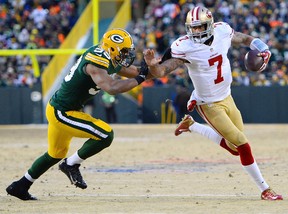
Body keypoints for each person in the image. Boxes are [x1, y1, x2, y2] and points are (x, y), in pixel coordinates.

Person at [144, 6, 282, 201]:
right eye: (192, 28)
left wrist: (262, 48)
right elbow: (162, 71)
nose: (196, 32)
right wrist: (152, 66)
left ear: (209, 25)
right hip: (208, 103)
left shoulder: (222, 31)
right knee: (242, 144)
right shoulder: (184, 46)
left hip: (227, 96)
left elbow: (244, 39)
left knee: (235, 148)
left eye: (200, 27)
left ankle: (191, 126)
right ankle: (265, 189)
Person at [6, 28, 150, 200]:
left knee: (55, 153)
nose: (127, 54)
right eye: (124, 51)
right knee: (105, 134)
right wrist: (142, 78)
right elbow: (111, 88)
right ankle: (71, 164)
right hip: (63, 112)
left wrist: (151, 67)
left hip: (61, 108)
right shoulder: (96, 62)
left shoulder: (107, 55)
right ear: (112, 49)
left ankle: (20, 186)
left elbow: (133, 71)